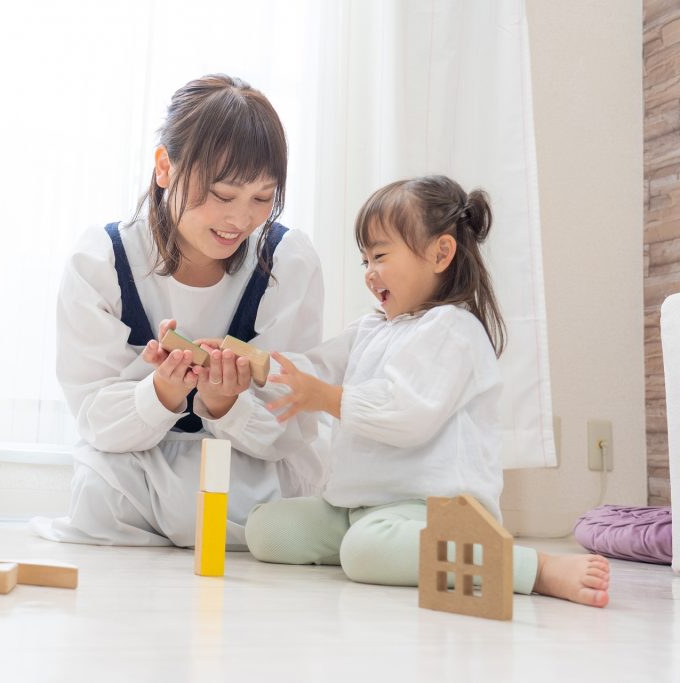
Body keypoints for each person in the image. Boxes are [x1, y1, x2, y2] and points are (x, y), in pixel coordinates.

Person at [246, 175, 611, 607]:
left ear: (440, 253)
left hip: (430, 510)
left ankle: (533, 568)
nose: (369, 273)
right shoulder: (371, 328)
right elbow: (316, 366)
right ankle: (380, 548)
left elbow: (405, 413)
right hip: (358, 507)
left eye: (379, 256)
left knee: (365, 552)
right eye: (364, 261)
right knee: (265, 528)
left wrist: (326, 397)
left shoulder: (453, 330)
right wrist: (255, 366)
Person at [31, 74, 327, 547]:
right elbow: (95, 416)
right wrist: (163, 391)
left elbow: (292, 422)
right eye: (223, 195)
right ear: (165, 167)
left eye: (262, 199)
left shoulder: (286, 260)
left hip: (250, 468)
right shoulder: (102, 260)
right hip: (135, 465)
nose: (240, 220)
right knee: (100, 491)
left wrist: (225, 403)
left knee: (275, 504)